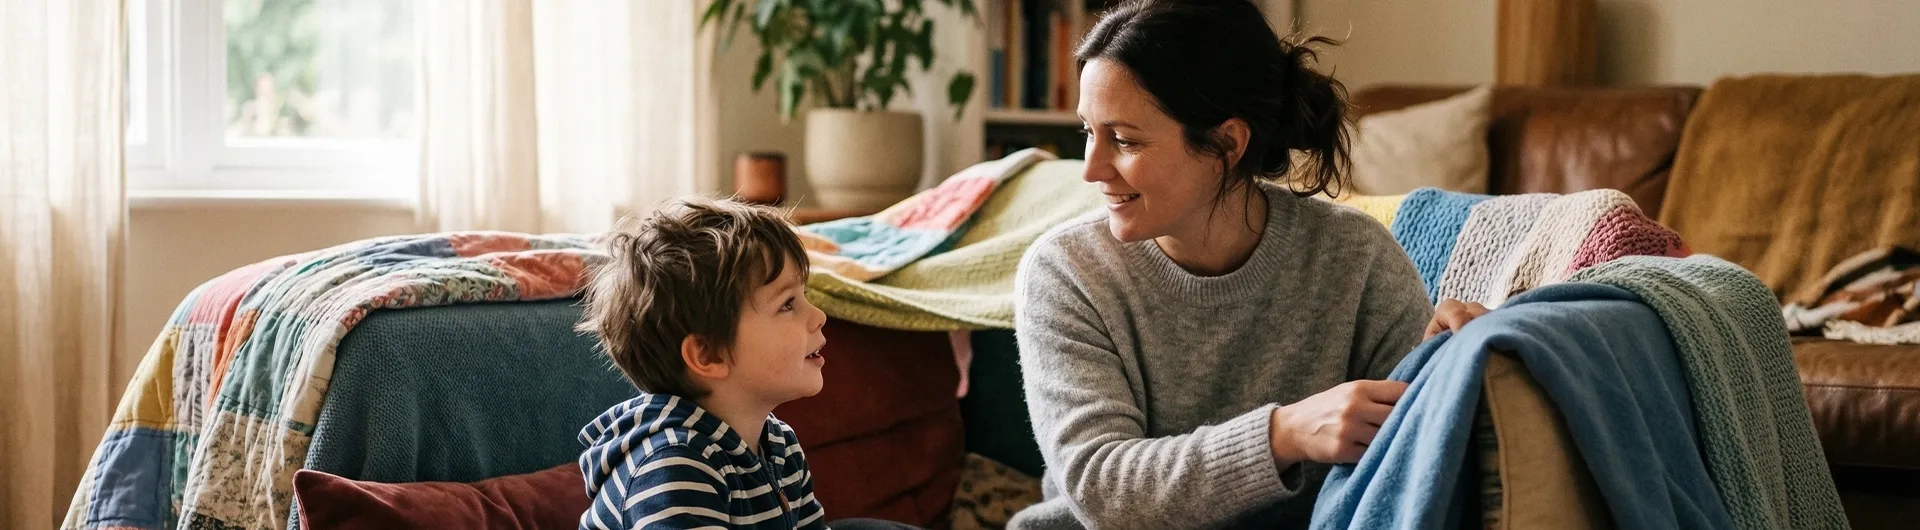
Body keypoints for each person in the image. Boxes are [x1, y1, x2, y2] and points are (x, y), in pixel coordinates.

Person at [1009, 1, 1487, 528]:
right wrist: (1283, 435)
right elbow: (1103, 490)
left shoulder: (1357, 258)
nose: (1091, 168)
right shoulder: (1067, 273)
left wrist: (1452, 363)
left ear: (1227, 143)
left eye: (1123, 140)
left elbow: (1411, 449)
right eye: (1087, 133)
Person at [573, 197, 835, 529]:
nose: (819, 317)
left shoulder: (781, 446)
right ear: (708, 356)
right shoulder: (673, 465)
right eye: (787, 304)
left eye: (804, 296)